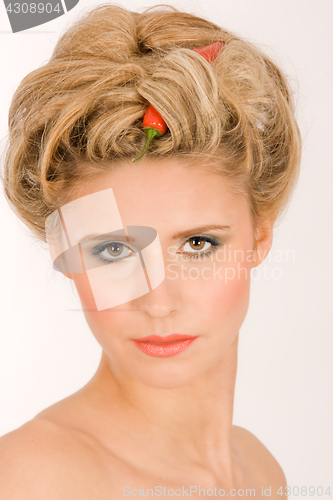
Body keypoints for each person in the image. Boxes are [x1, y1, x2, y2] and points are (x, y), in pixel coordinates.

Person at [0, 3, 301, 498]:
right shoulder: (34, 479)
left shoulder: (262, 473)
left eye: (199, 244)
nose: (158, 302)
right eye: (114, 250)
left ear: (260, 238)